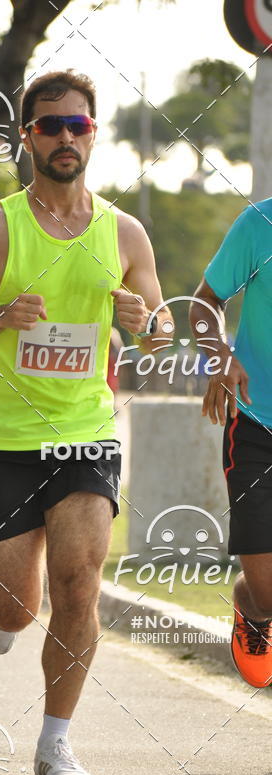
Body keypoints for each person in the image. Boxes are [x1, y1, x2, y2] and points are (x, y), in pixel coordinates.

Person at [0, 70, 173, 775]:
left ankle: (54, 744)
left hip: (85, 435)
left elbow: (160, 327)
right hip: (0, 441)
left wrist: (145, 323)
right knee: (14, 606)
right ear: (27, 136)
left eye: (79, 125)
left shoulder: (124, 231)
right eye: (51, 125)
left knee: (79, 583)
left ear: (94, 134)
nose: (66, 137)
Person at [191, 198, 272, 689]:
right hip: (255, 422)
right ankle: (251, 604)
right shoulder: (259, 224)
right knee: (269, 595)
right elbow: (204, 302)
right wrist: (219, 355)